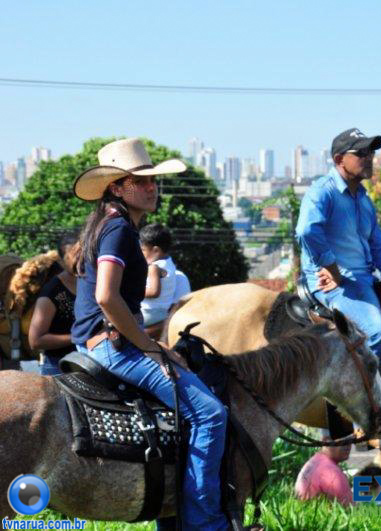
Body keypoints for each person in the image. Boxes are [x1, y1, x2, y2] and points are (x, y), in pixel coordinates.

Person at [70, 138, 228, 530]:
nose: (152, 187)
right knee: (210, 414)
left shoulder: (109, 224)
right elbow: (106, 297)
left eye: (153, 180)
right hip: (112, 347)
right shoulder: (119, 230)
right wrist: (150, 348)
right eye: (140, 181)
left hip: (99, 341)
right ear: (116, 187)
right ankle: (205, 523)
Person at [295, 127, 381, 447]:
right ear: (339, 159)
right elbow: (306, 230)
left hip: (362, 279)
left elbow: (379, 245)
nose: (370, 158)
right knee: (375, 332)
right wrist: (331, 268)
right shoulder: (323, 192)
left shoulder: (363, 200)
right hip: (335, 283)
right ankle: (365, 421)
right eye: (362, 153)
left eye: (372, 152)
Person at [28, 234, 78, 375]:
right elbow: (35, 341)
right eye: (74, 256)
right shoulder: (51, 292)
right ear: (61, 261)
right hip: (58, 368)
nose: (81, 260)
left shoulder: (94, 282)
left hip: (91, 363)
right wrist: (77, 337)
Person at [294, 430, 353, 507]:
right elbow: (353, 509)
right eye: (342, 440)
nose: (348, 445)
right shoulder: (331, 473)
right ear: (326, 441)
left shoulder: (314, 462)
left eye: (350, 440)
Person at [139, 223, 176, 328]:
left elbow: (153, 292)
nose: (141, 253)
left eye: (143, 250)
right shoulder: (169, 263)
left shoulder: (154, 268)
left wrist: (132, 291)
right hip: (161, 312)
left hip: (149, 312)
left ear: (156, 250)